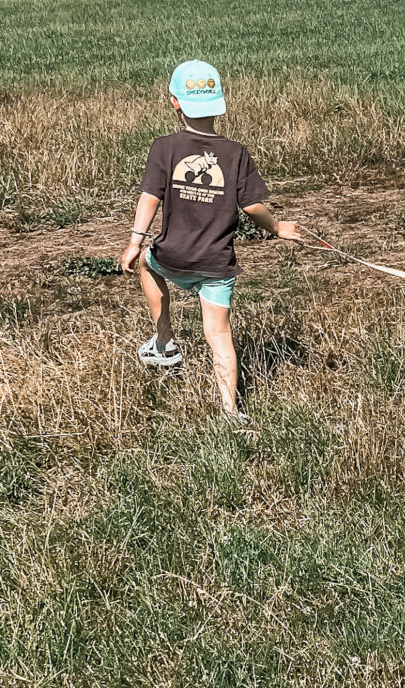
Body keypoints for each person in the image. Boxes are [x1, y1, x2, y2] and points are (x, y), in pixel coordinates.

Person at [121, 59, 301, 419]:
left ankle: (164, 340)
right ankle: (230, 411)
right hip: (217, 265)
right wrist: (278, 228)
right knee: (219, 335)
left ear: (174, 101)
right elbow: (252, 207)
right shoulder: (236, 154)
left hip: (171, 256)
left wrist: (135, 241)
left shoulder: (164, 147)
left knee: (145, 262)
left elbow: (149, 198)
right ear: (220, 102)